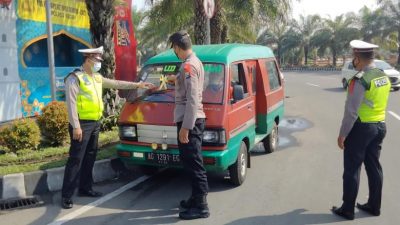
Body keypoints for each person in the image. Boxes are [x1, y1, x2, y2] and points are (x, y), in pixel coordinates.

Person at [61, 46, 154, 209]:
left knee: (90, 157)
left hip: (95, 123)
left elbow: (117, 83)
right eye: (97, 60)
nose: (99, 63)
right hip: (81, 125)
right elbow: (71, 103)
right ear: (88, 59)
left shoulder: (96, 77)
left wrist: (138, 85)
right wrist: (76, 126)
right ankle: (66, 196)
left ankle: (85, 188)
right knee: (76, 159)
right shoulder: (75, 78)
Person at [332, 40, 390, 220]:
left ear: (357, 58)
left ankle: (347, 209)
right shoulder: (382, 76)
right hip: (380, 126)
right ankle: (374, 205)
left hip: (361, 128)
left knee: (352, 168)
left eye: (353, 57)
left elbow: (351, 111)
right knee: (374, 167)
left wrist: (342, 135)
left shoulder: (360, 79)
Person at [167, 31, 209, 220]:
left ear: (177, 47)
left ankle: (201, 206)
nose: (174, 51)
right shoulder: (194, 62)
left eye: (174, 48)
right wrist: (176, 80)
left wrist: (186, 127)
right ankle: (195, 198)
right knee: (190, 161)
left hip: (189, 121)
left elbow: (192, 99)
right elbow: (200, 86)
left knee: (194, 163)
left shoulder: (188, 66)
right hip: (191, 119)